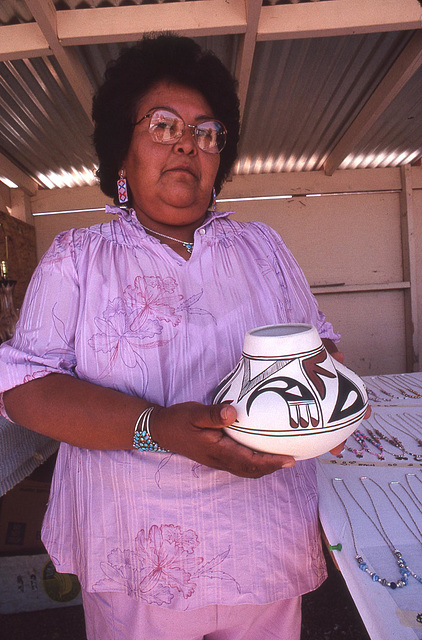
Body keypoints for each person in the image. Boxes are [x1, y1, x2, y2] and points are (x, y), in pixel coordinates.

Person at [0, 33, 345, 640]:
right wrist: (156, 427)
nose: (187, 141)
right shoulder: (78, 259)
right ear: (121, 155)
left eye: (206, 131)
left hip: (262, 543)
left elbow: (319, 350)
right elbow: (26, 388)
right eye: (162, 125)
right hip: (136, 559)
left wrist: (327, 414)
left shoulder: (262, 248)